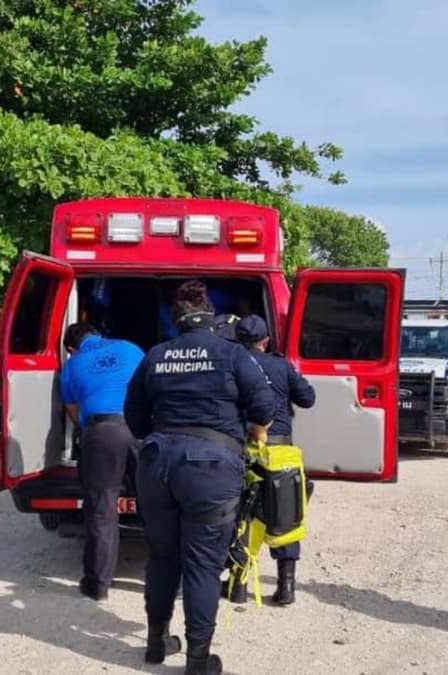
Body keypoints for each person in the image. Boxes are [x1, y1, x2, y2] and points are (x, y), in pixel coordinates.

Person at [124, 280, 277, 674]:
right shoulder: (232, 354)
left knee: (162, 555)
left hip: (156, 462)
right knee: (202, 565)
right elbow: (264, 406)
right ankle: (197, 659)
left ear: (177, 320)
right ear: (211, 318)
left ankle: (156, 643)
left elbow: (136, 420)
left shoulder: (154, 355)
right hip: (210, 467)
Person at [228, 315, 316, 606]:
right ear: (266, 341)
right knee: (286, 513)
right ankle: (286, 586)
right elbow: (307, 399)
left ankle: (238, 586)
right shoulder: (281, 365)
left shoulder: (231, 364)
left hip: (241, 449)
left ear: (237, 340)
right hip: (279, 451)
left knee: (243, 517)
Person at [59, 321, 145, 601]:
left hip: (102, 430)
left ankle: (98, 585)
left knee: (101, 510)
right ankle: (173, 582)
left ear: (72, 348)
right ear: (98, 335)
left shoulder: (72, 365)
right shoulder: (130, 348)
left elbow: (74, 413)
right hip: (139, 428)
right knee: (157, 503)